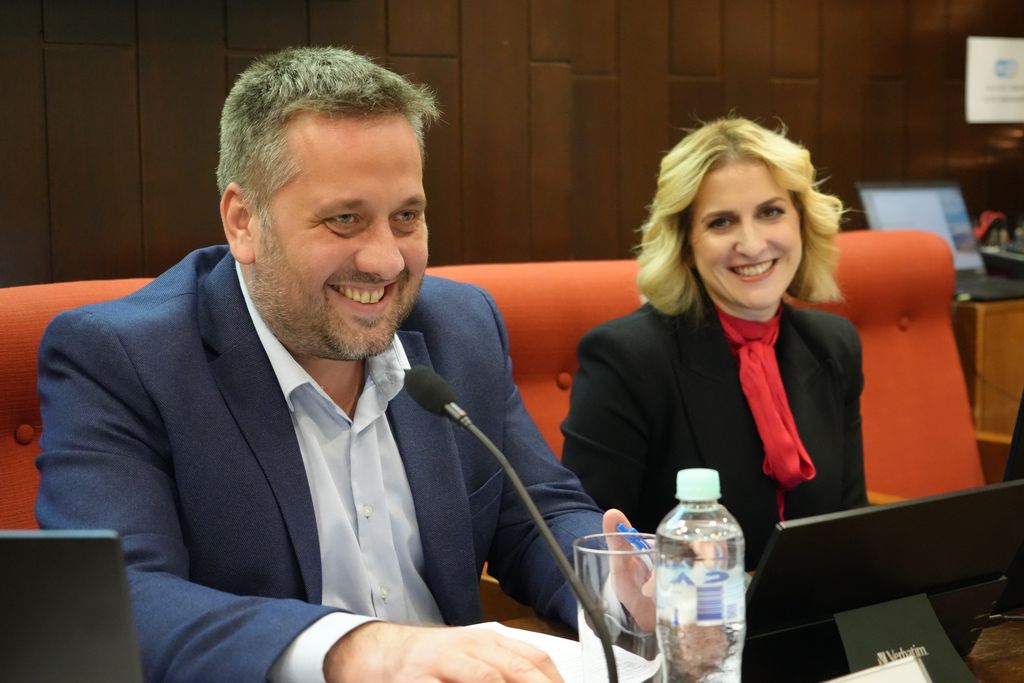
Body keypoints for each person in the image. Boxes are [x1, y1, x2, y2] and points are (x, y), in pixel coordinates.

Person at [35, 46, 624, 683]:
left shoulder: (462, 327)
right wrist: (357, 647)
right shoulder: (122, 360)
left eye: (407, 217)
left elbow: (539, 516)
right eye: (345, 220)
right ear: (244, 222)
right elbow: (121, 601)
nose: (387, 261)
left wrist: (622, 585)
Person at [561, 116, 867, 569]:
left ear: (802, 221)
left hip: (819, 609)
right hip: (687, 610)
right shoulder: (626, 359)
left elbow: (851, 525)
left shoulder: (833, 344)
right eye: (722, 222)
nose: (752, 244)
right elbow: (593, 550)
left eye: (770, 212)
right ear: (686, 244)